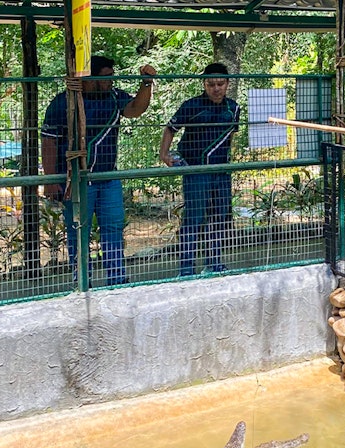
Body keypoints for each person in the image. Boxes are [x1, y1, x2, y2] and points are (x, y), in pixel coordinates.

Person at [42, 55, 156, 286]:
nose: (110, 82)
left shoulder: (114, 97)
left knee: (113, 228)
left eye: (111, 77)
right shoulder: (65, 102)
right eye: (105, 77)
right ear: (88, 78)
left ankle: (117, 278)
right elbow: (49, 142)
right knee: (78, 231)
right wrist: (50, 180)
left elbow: (136, 109)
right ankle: (82, 280)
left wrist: (146, 83)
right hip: (78, 179)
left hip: (108, 178)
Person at [159, 62, 240, 276]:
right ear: (204, 84)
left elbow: (231, 135)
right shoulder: (192, 105)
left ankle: (214, 263)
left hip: (221, 171)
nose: (216, 88)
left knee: (220, 217)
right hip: (195, 170)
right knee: (194, 219)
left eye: (220, 84)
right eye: (211, 84)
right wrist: (164, 154)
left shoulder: (234, 108)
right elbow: (170, 128)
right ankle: (187, 269)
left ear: (227, 84)